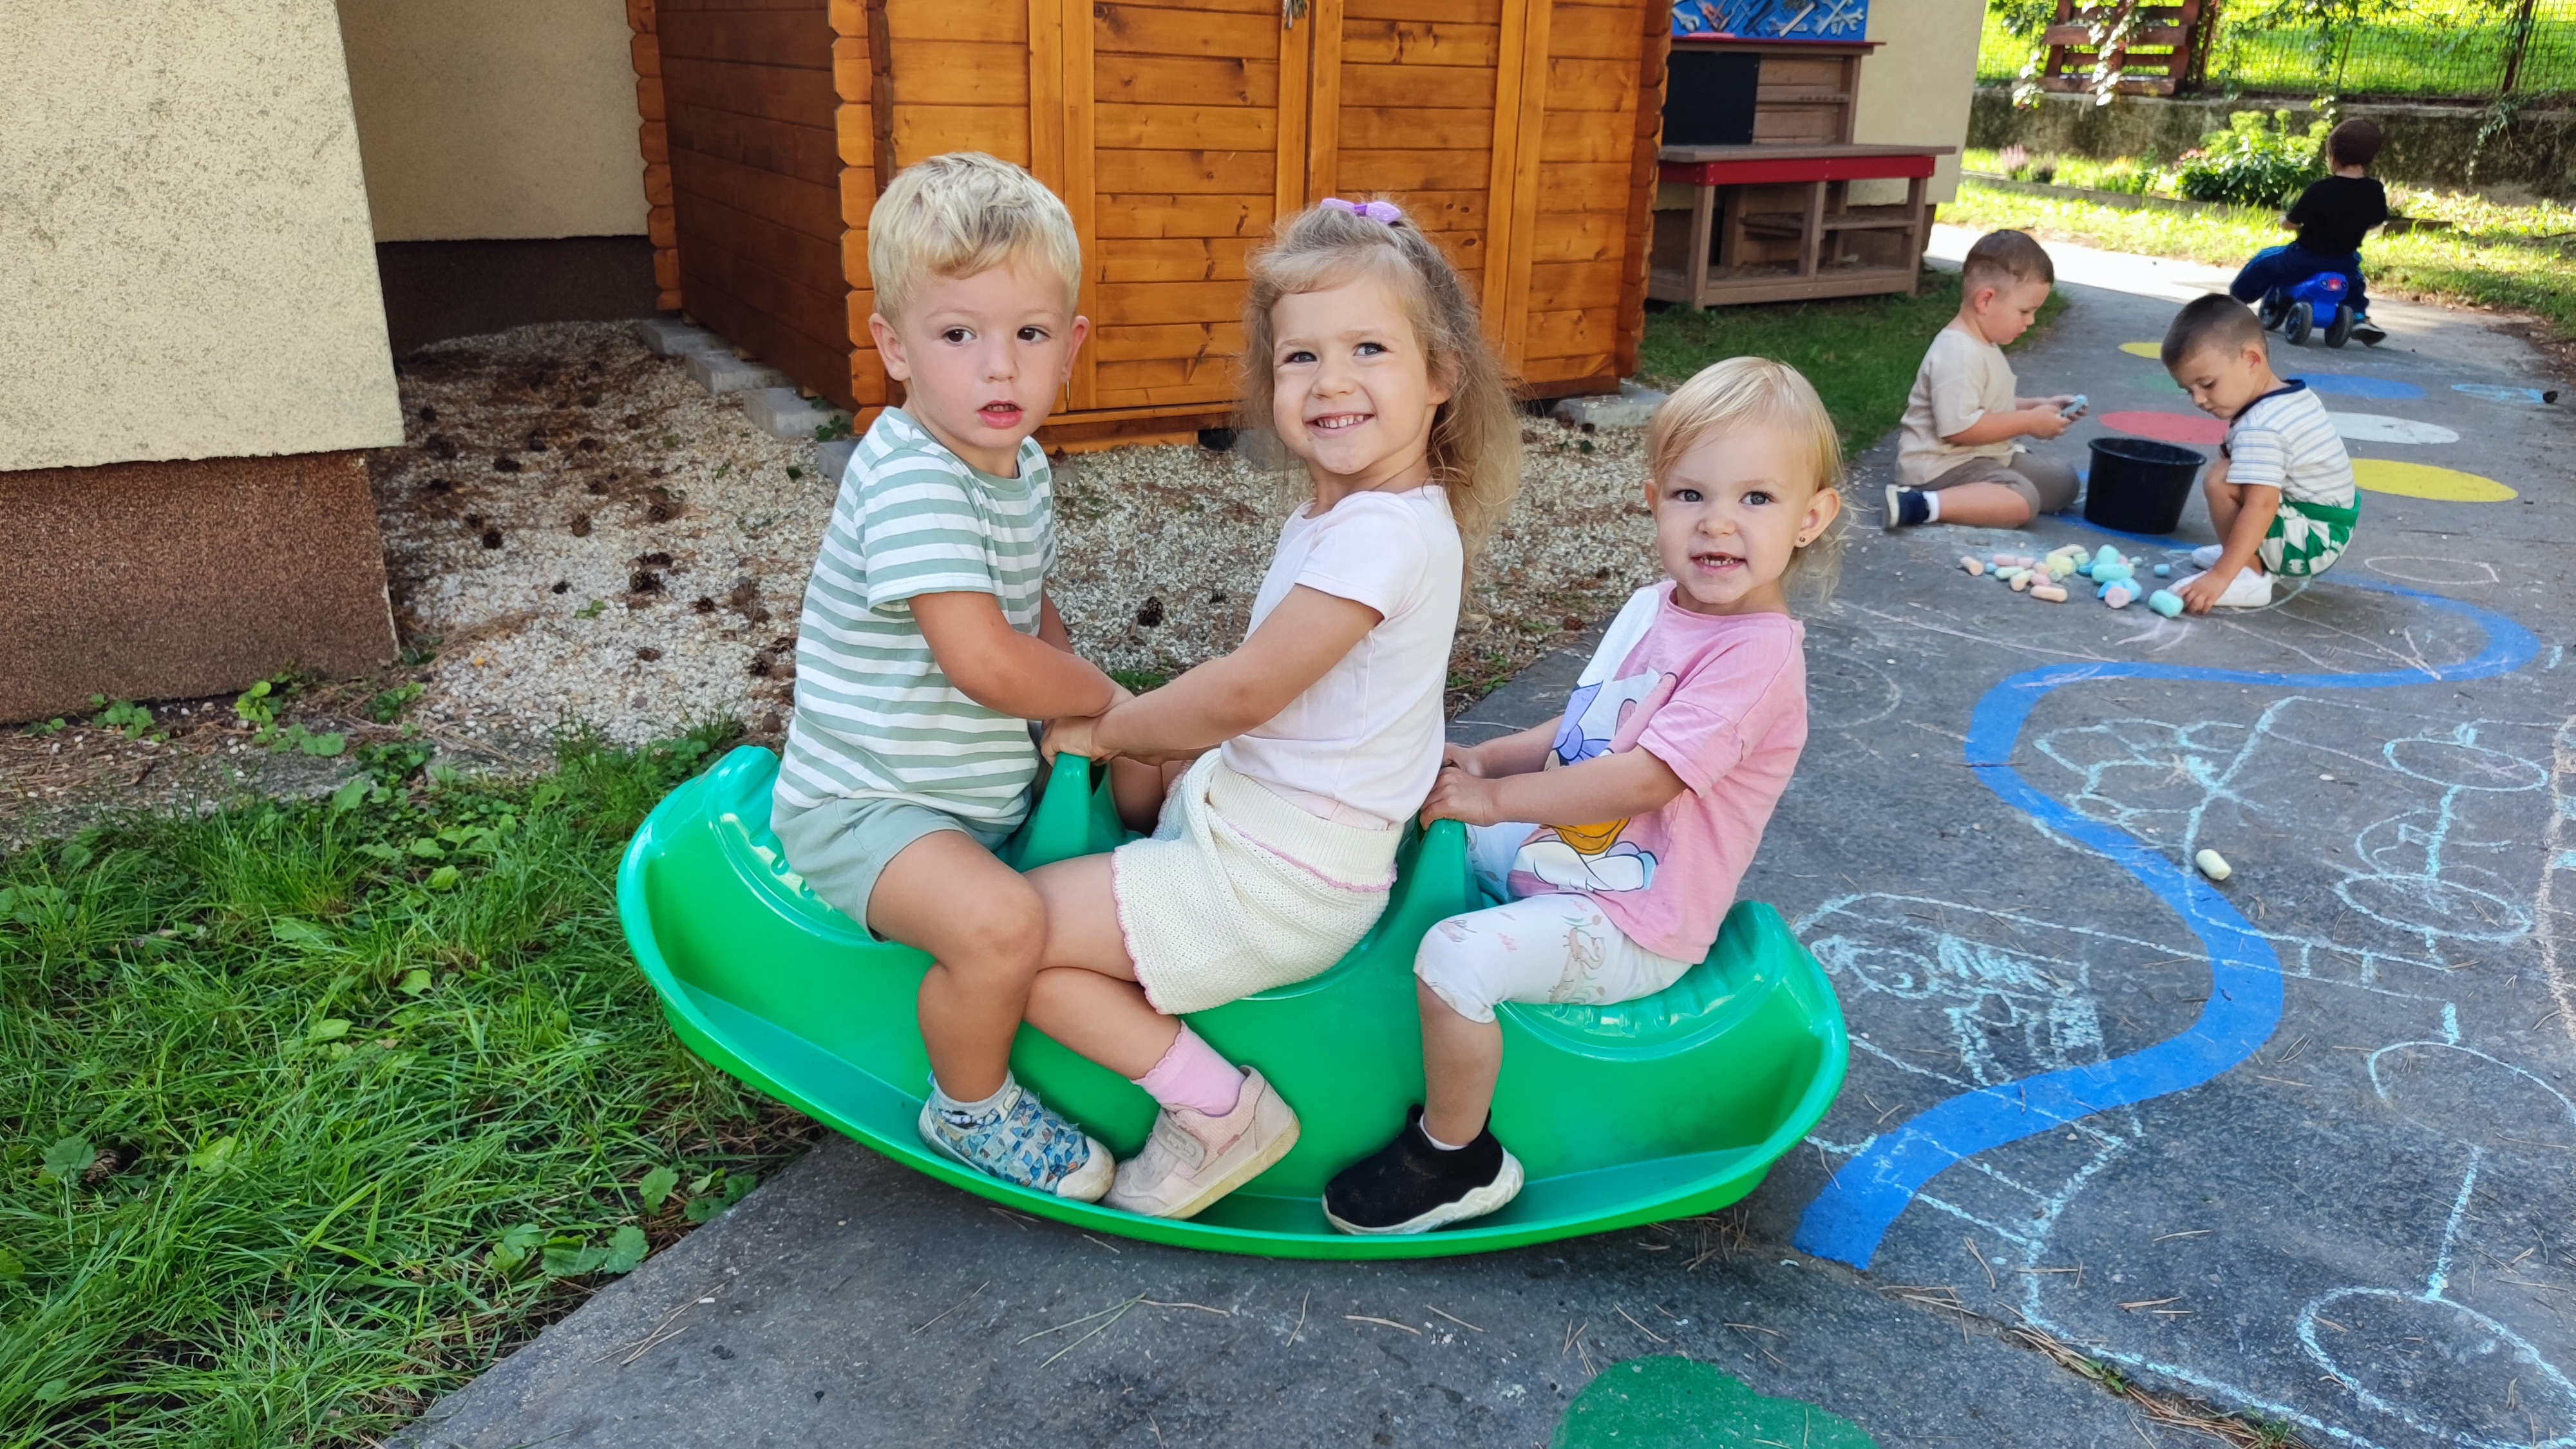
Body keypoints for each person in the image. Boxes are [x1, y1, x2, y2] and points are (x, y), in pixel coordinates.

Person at [1027, 197, 1523, 1221]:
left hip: (1275, 878)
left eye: (1369, 349)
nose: (1331, 381)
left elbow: (1249, 688)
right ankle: (1137, 851)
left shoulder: (1378, 537)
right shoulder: (1361, 513)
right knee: (1148, 764)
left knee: (1006, 939)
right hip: (1272, 821)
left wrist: (1110, 727)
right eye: (1302, 357)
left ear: (1442, 374)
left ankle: (1217, 1111)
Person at [1323, 357, 1841, 1235]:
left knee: (1456, 959)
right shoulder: (1656, 606)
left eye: (1756, 498)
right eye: (1691, 495)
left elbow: (1646, 777)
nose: (1717, 522)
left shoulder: (1754, 658)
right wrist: (1488, 759)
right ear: (1653, 501)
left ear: (1810, 517)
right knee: (1413, 817)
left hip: (1633, 919)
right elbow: (1590, 723)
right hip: (1566, 857)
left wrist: (1496, 801)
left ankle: (1455, 1157)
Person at [770, 153, 1129, 1202]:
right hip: (868, 805)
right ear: (895, 348)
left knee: (1132, 777)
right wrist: (1104, 699)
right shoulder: (912, 478)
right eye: (959, 336)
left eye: (1030, 336)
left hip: (965, 789)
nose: (999, 370)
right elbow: (981, 660)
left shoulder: (1018, 464)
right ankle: (970, 1107)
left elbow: (1027, 610)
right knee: (1002, 923)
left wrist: (1076, 701)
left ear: (1073, 345)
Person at [2161, 292, 2360, 612]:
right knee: (2234, 472)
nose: (2198, 399)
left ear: (2252, 360)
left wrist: (2220, 577)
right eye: (2189, 390)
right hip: (2325, 526)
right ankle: (2243, 555)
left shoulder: (2262, 428)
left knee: (2221, 480)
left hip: (2313, 542)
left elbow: (2262, 505)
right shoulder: (2285, 396)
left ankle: (2248, 575)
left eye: (2208, 384)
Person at [1884, 229, 2081, 533]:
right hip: (1940, 467)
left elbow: (1988, 404)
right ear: (1986, 300)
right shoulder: (1957, 352)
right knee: (2024, 500)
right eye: (2025, 311)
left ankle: (1984, 496)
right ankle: (1919, 504)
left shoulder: (1982, 342)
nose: (2031, 321)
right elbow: (1960, 429)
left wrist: (2038, 406)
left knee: (2062, 482)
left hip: (1981, 455)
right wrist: (2029, 423)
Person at [2229, 118, 2389, 345]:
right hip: (2344, 262)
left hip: (2304, 259)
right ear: (2371, 157)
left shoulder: (2320, 189)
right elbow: (2376, 222)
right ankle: (2359, 317)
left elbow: (2292, 222)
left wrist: (2284, 221)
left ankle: (2235, 303)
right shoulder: (2374, 190)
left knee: (2264, 261)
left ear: (2333, 156)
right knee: (2354, 284)